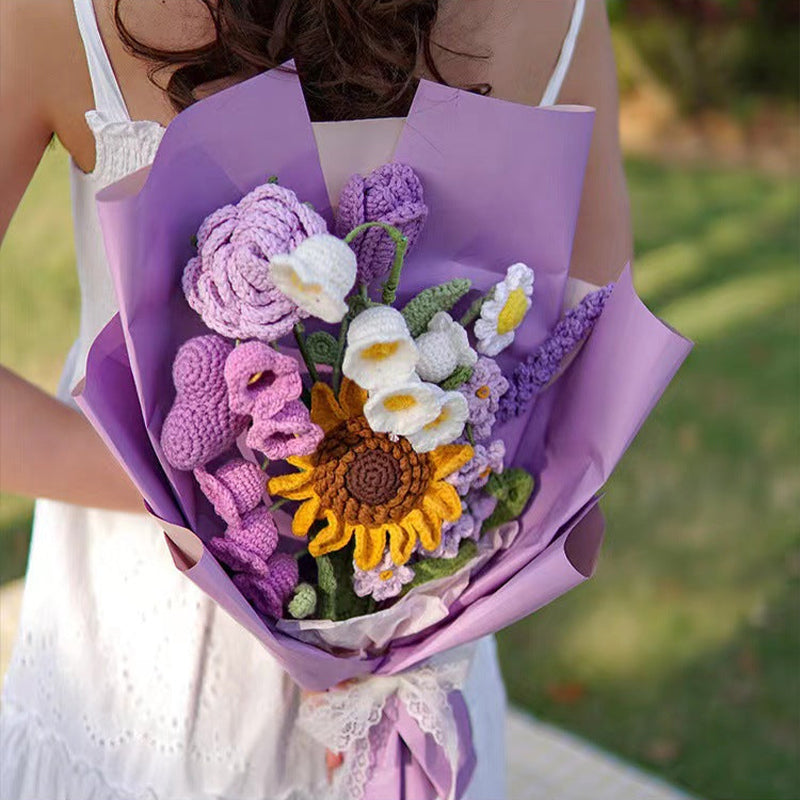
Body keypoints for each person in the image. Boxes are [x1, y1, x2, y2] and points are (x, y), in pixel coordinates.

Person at [0, 0, 632, 797]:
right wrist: (410, 551)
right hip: (417, 609)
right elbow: (591, 330)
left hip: (180, 625)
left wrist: (210, 486)